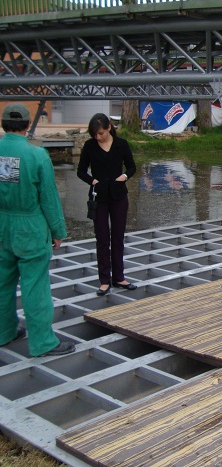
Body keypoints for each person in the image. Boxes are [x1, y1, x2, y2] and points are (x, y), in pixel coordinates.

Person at [0, 103, 75, 357]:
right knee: (35, 286)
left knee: (2, 282)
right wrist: (58, 231)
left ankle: (4, 330)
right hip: (29, 227)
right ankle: (42, 342)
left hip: (1, 224)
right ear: (27, 124)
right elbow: (49, 198)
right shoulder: (37, 155)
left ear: (3, 124)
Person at [77, 113, 137, 296]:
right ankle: (104, 280)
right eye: (95, 134)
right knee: (102, 239)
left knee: (118, 237)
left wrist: (124, 177)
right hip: (99, 198)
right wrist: (92, 181)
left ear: (109, 127)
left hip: (119, 196)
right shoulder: (89, 146)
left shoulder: (121, 144)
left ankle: (119, 277)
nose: (98, 137)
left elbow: (132, 167)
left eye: (101, 133)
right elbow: (81, 171)